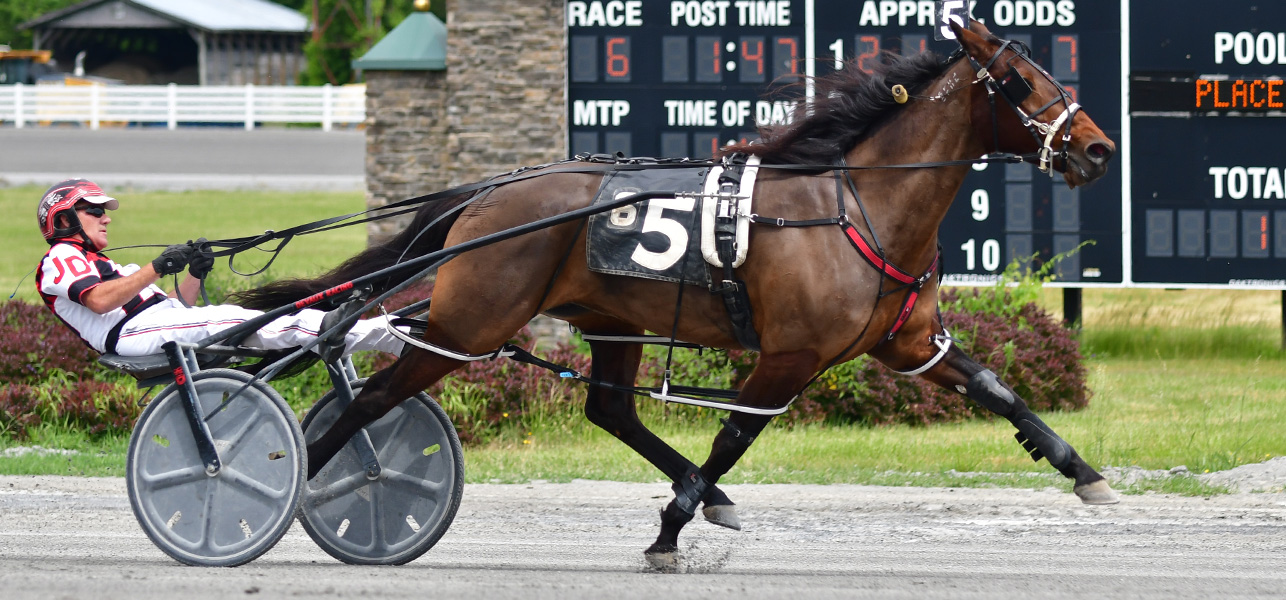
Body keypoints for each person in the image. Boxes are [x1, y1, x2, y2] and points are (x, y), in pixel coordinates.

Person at [35, 178, 403, 358]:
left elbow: (177, 309)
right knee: (232, 319)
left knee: (251, 323)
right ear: (64, 219)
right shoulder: (62, 257)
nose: (105, 219)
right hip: (128, 335)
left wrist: (194, 272)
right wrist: (159, 266)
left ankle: (380, 334)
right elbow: (99, 300)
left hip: (149, 325)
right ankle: (364, 332)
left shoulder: (104, 263)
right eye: (95, 211)